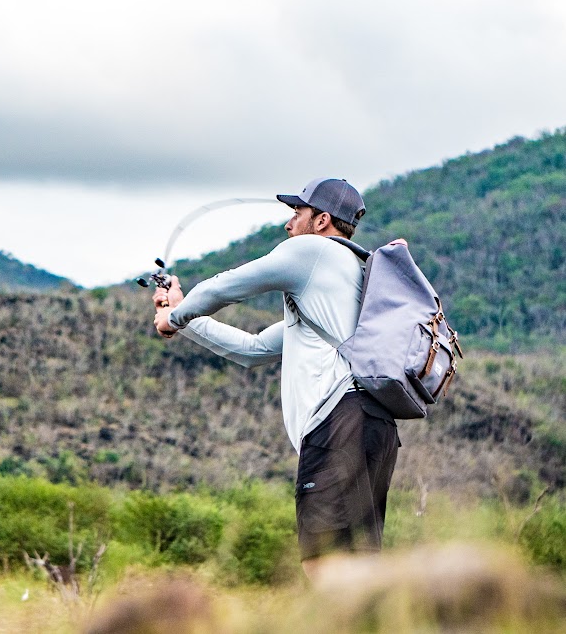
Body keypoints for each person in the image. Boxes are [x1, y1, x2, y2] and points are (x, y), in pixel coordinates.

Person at [153, 178, 400, 580]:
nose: (288, 224)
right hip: (374, 425)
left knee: (322, 565)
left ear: (321, 221)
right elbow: (253, 349)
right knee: (359, 568)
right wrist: (184, 318)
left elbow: (226, 286)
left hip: (337, 423)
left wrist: (173, 318)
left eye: (296, 213)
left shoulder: (311, 252)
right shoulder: (352, 274)